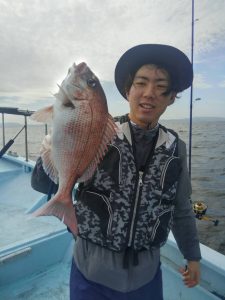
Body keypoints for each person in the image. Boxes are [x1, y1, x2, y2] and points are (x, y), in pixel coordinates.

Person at [31, 44, 201, 300]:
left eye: (160, 86)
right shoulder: (100, 132)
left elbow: (182, 208)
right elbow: (42, 185)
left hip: (147, 275)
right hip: (91, 272)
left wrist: (193, 256)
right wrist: (53, 146)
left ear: (171, 96)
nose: (149, 93)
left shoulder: (177, 148)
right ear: (127, 90)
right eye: (141, 83)